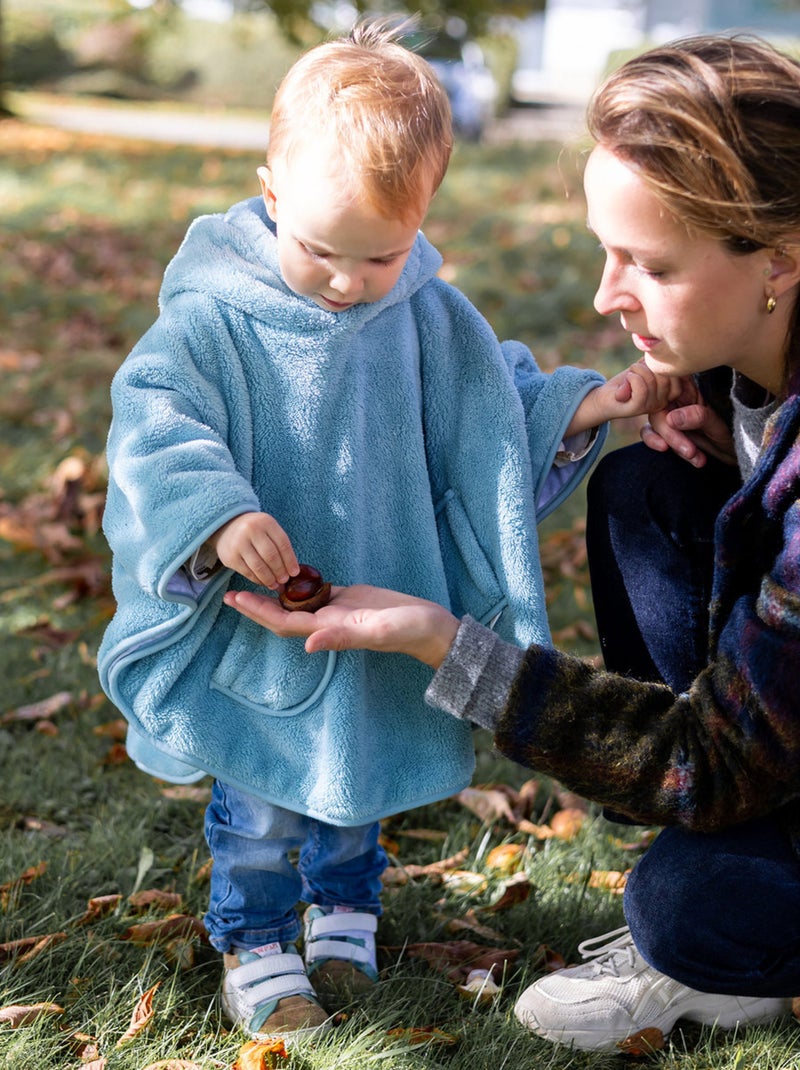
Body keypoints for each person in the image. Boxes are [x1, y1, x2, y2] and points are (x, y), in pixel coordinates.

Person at [96, 17, 674, 1046]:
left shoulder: (422, 315)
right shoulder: (214, 317)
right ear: (272, 194)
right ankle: (255, 939)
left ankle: (345, 909)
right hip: (261, 614)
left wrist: (578, 408)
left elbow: (485, 409)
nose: (346, 280)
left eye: (381, 254)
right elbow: (158, 420)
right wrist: (218, 516)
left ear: (421, 221)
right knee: (264, 794)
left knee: (355, 772)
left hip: (382, 592)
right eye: (321, 250)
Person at [223, 33, 800, 1054]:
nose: (606, 296)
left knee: (682, 906)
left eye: (651, 265)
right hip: (763, 738)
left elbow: (704, 761)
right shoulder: (730, 381)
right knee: (643, 489)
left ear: (780, 259)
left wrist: (446, 645)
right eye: (606, 251)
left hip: (731, 758)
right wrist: (727, 449)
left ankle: (728, 929)